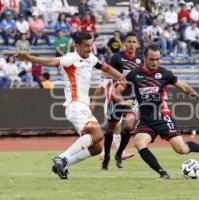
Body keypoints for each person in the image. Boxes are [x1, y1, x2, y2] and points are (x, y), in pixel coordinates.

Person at [15, 31, 125, 179]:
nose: (89, 49)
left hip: (82, 106)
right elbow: (51, 62)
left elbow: (105, 67)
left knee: (97, 148)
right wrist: (30, 58)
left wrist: (120, 76)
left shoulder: (91, 58)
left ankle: (63, 164)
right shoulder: (70, 58)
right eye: (86, 46)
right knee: (97, 134)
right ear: (77, 46)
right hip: (75, 104)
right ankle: (62, 158)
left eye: (91, 45)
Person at [113, 44, 199, 179]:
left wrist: (197, 96)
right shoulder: (134, 74)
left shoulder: (165, 73)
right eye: (152, 59)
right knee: (139, 142)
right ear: (144, 58)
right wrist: (122, 101)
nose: (155, 62)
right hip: (145, 119)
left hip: (162, 116)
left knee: (181, 149)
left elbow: (183, 87)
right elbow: (117, 92)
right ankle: (163, 174)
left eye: (157, 59)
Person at [100, 32, 143, 170]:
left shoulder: (141, 59)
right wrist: (118, 76)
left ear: (137, 44)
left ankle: (119, 154)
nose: (131, 44)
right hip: (117, 96)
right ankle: (106, 156)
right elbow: (104, 73)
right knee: (110, 129)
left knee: (129, 125)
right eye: (129, 42)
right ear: (124, 43)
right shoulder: (116, 57)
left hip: (132, 97)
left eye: (133, 42)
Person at [90, 74, 135, 162]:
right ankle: (120, 152)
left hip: (120, 104)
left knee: (113, 128)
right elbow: (100, 88)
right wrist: (93, 103)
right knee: (116, 126)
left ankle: (104, 153)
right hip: (110, 105)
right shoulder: (109, 78)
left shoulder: (122, 78)